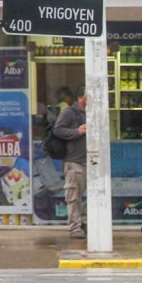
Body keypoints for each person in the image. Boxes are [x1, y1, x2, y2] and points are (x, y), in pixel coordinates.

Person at [54, 85, 87, 239]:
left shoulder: (90, 113)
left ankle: (83, 222)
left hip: (89, 162)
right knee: (73, 196)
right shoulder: (69, 112)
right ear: (82, 97)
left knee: (85, 196)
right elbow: (58, 130)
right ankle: (75, 227)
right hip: (74, 162)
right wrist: (77, 132)